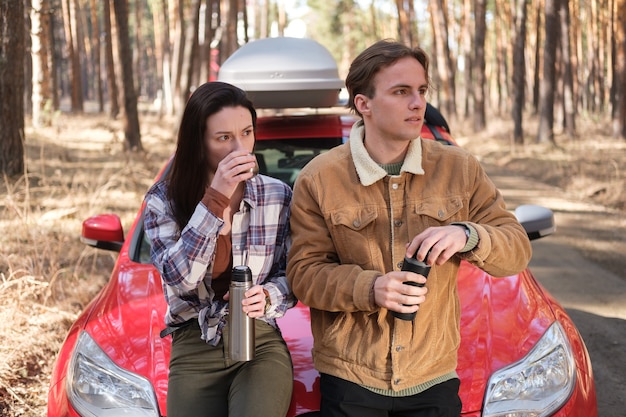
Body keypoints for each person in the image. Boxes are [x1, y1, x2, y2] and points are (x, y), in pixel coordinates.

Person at [286, 39, 532, 416]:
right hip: (351, 377)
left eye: (420, 91)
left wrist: (468, 234)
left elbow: (516, 249)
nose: (418, 103)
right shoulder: (318, 179)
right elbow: (304, 274)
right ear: (363, 104)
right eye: (401, 92)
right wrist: (371, 288)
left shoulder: (460, 169)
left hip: (433, 376)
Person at [144, 81, 296, 417]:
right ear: (198, 144)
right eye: (224, 138)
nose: (240, 147)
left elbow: (296, 275)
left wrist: (269, 295)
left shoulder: (278, 196)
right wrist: (215, 199)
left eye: (247, 132)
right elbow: (181, 279)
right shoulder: (162, 201)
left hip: (258, 341)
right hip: (193, 342)